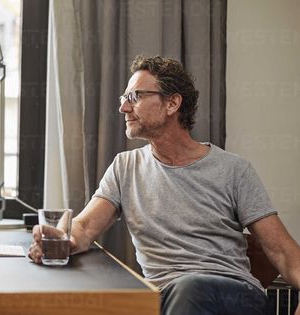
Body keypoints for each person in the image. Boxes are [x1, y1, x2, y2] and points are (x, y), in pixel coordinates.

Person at [28, 55, 300, 315]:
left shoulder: (234, 170)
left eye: (134, 97)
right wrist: (60, 237)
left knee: (190, 288)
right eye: (124, 98)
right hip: (163, 298)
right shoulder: (125, 167)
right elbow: (85, 227)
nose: (123, 107)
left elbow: (283, 253)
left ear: (172, 104)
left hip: (236, 295)